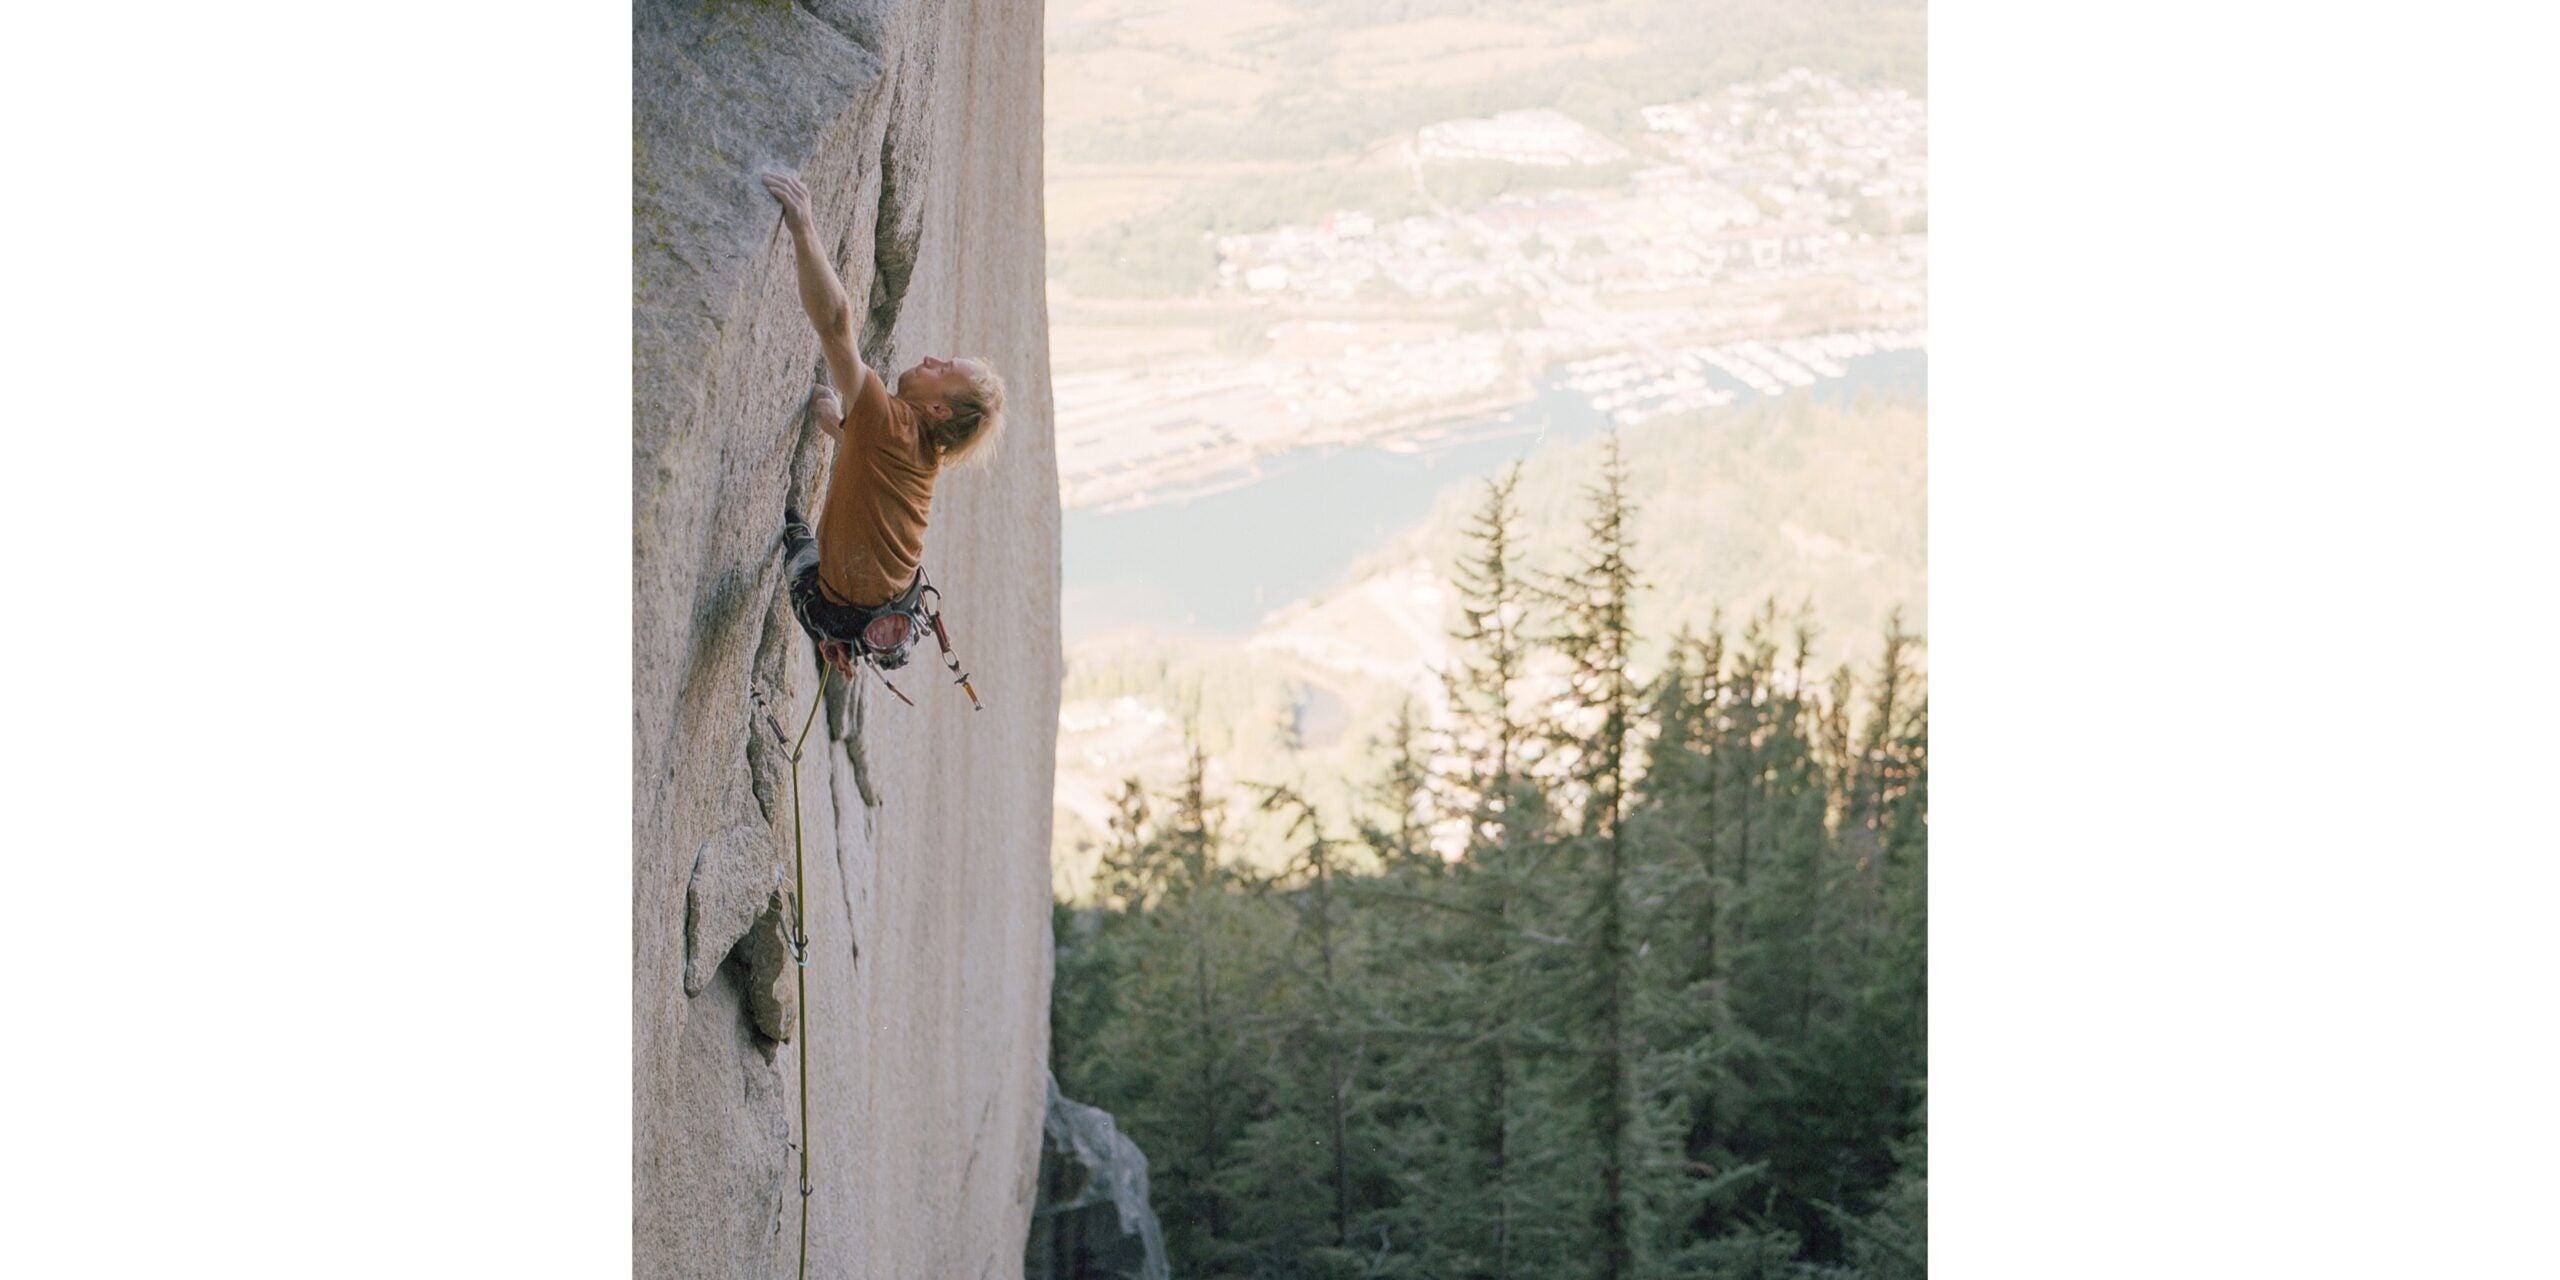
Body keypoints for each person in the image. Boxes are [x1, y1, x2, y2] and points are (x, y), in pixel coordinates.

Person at [762, 170, 1007, 675]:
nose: (930, 358)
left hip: (835, 610)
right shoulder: (923, 453)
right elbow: (877, 469)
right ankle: (854, 638)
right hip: (888, 608)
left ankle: (837, 634)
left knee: (794, 535)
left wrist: (804, 228)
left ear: (937, 409)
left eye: (942, 370)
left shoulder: (889, 420)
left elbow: (835, 326)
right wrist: (840, 426)